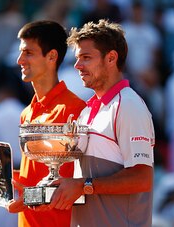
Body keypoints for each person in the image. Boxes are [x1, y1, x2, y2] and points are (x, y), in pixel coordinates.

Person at [0, 20, 86, 227]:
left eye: (28, 53)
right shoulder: (27, 113)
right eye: (20, 52)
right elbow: (33, 179)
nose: (19, 60)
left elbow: (81, 189)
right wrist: (0, 176)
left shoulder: (76, 110)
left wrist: (27, 200)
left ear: (52, 56)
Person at [47, 19, 155, 226]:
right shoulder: (87, 110)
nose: (78, 65)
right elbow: (78, 182)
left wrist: (84, 185)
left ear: (111, 58)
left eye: (86, 58)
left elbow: (142, 178)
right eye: (77, 58)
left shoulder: (129, 105)